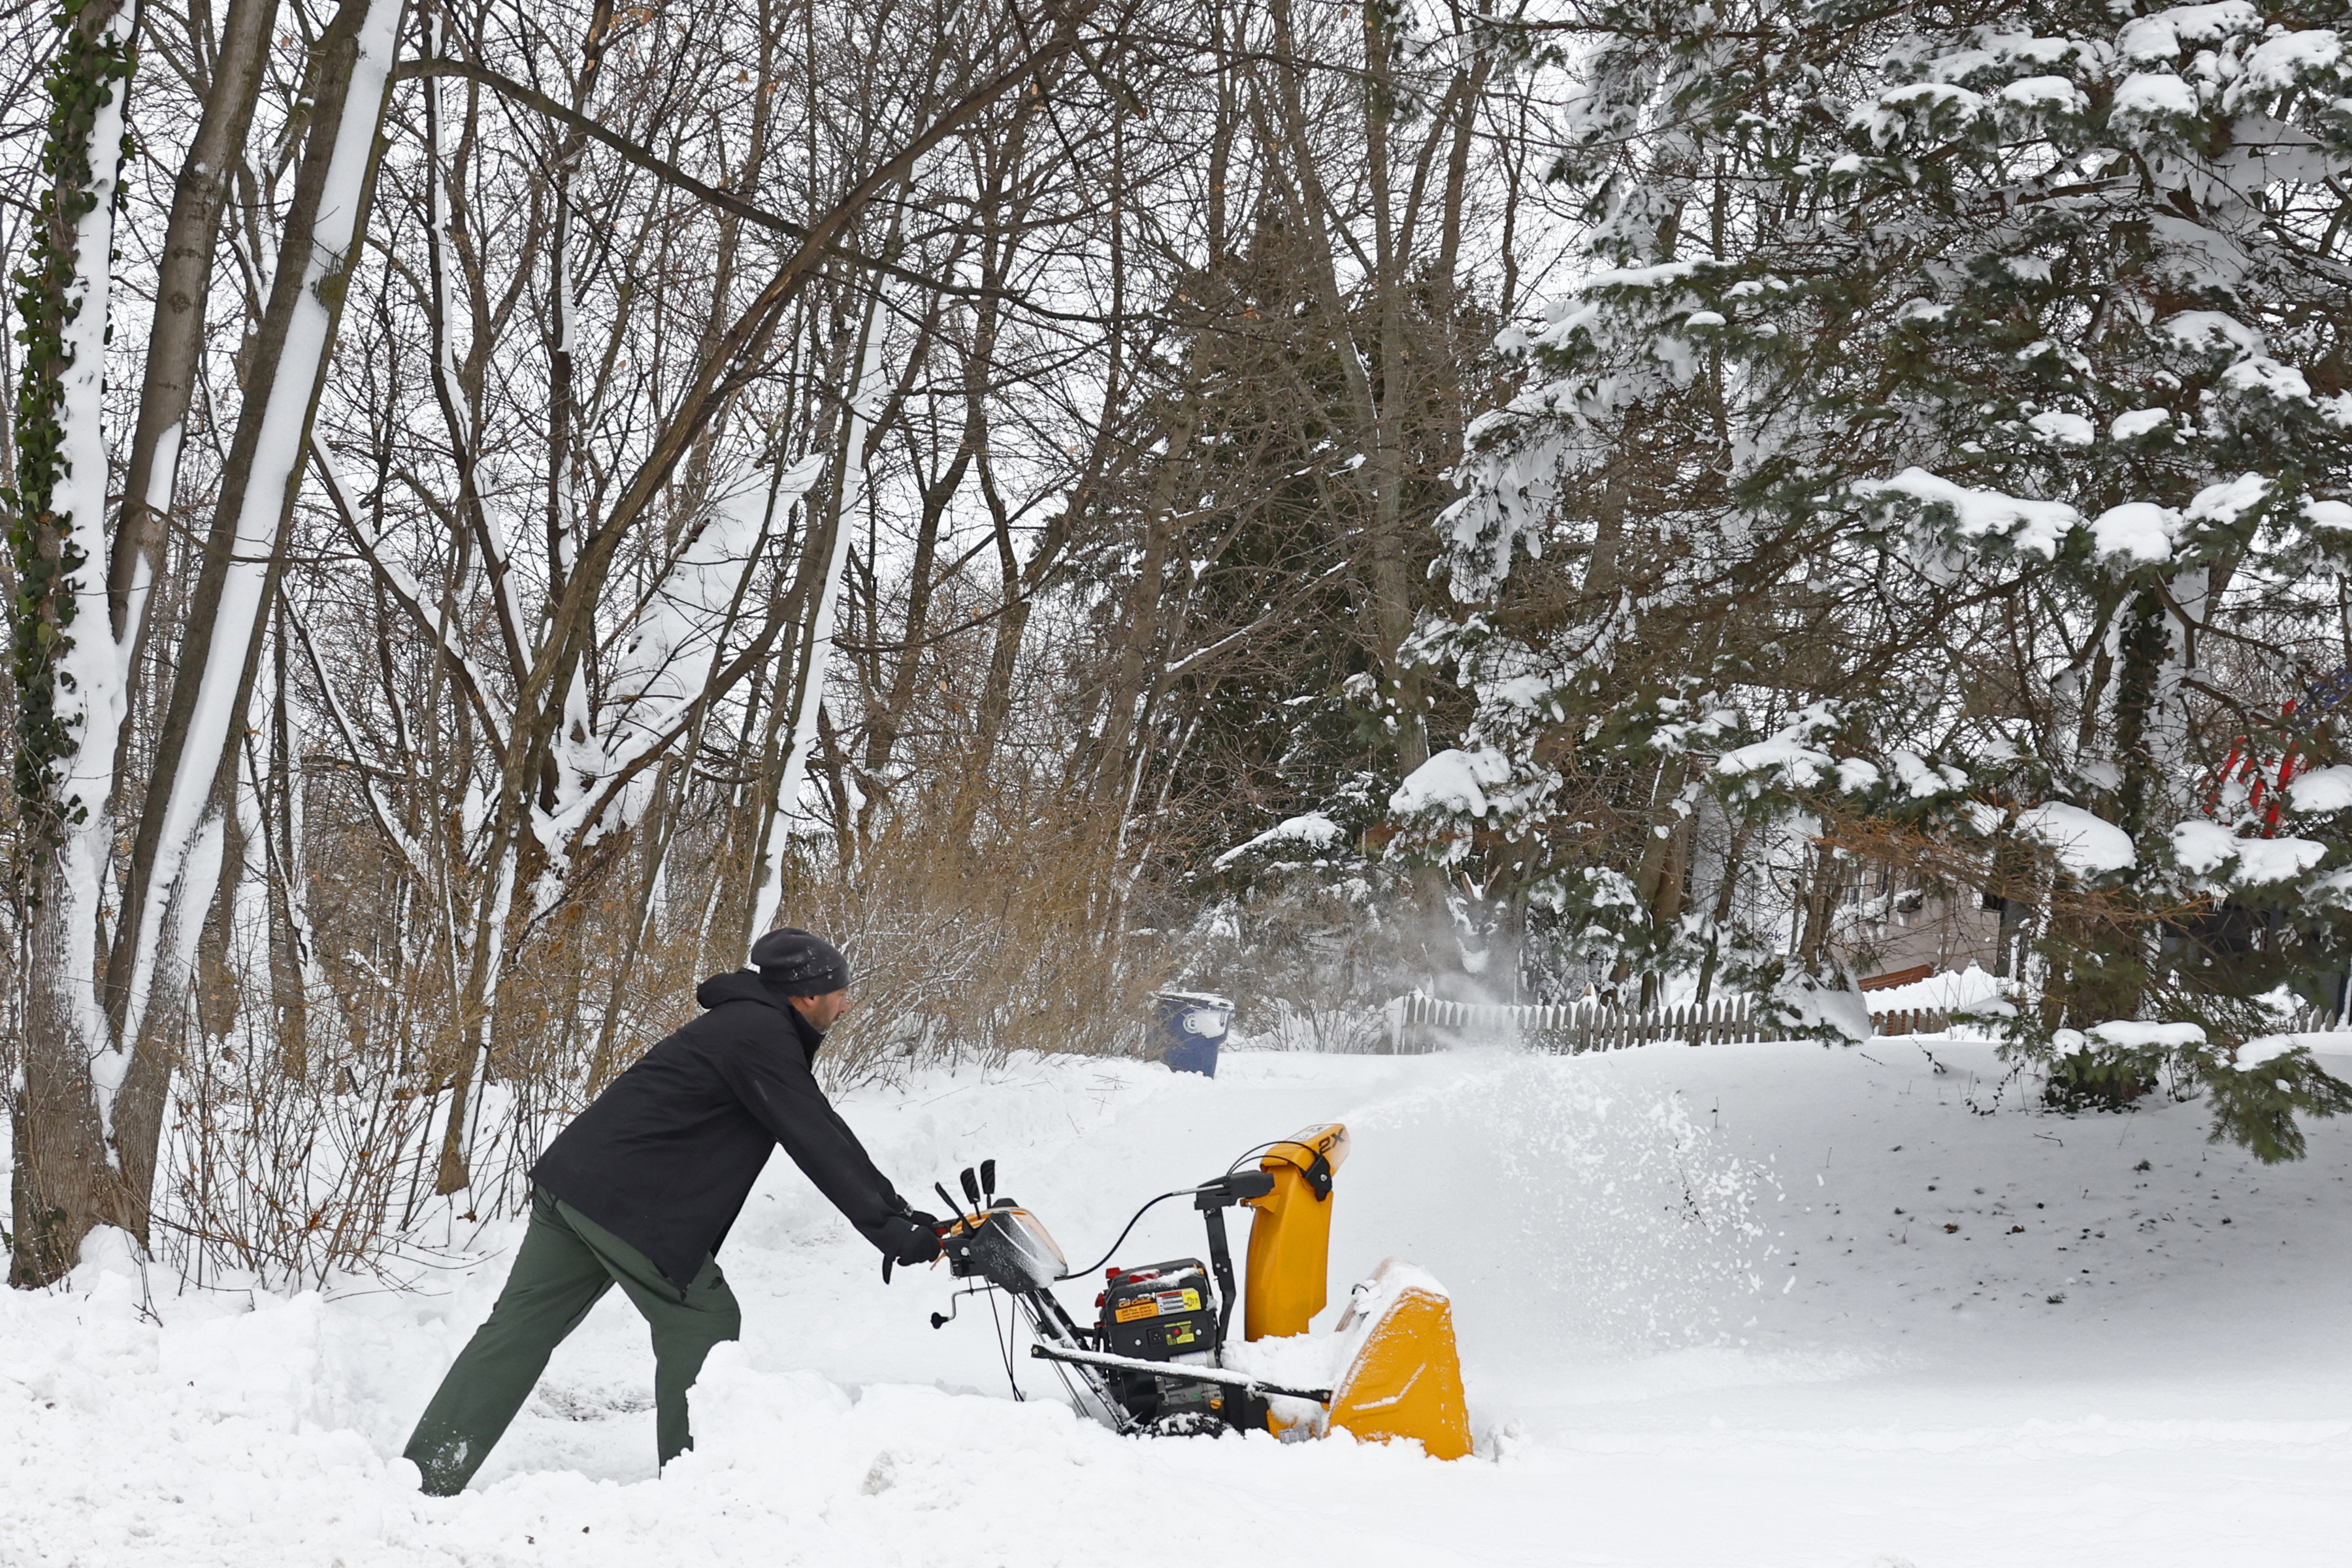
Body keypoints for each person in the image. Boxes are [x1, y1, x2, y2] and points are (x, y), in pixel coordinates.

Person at [401, 928, 942, 1495]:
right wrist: (887, 1230)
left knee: (515, 1331)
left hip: (575, 1184)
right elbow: (813, 1138)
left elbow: (821, 1124)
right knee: (702, 1320)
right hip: (627, 1202)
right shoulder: (759, 1032)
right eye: (840, 992)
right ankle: (694, 1483)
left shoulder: (747, 1025)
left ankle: (424, 1474)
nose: (846, 1002)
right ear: (807, 996)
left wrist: (897, 1213)